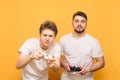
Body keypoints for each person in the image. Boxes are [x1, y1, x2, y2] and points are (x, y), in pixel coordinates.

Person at [59, 11, 105, 80]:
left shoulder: (94, 41)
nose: (79, 24)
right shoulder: (63, 39)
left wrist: (87, 70)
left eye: (82, 21)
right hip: (66, 78)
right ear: (72, 23)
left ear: (86, 24)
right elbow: (56, 58)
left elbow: (101, 62)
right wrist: (64, 65)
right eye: (76, 21)